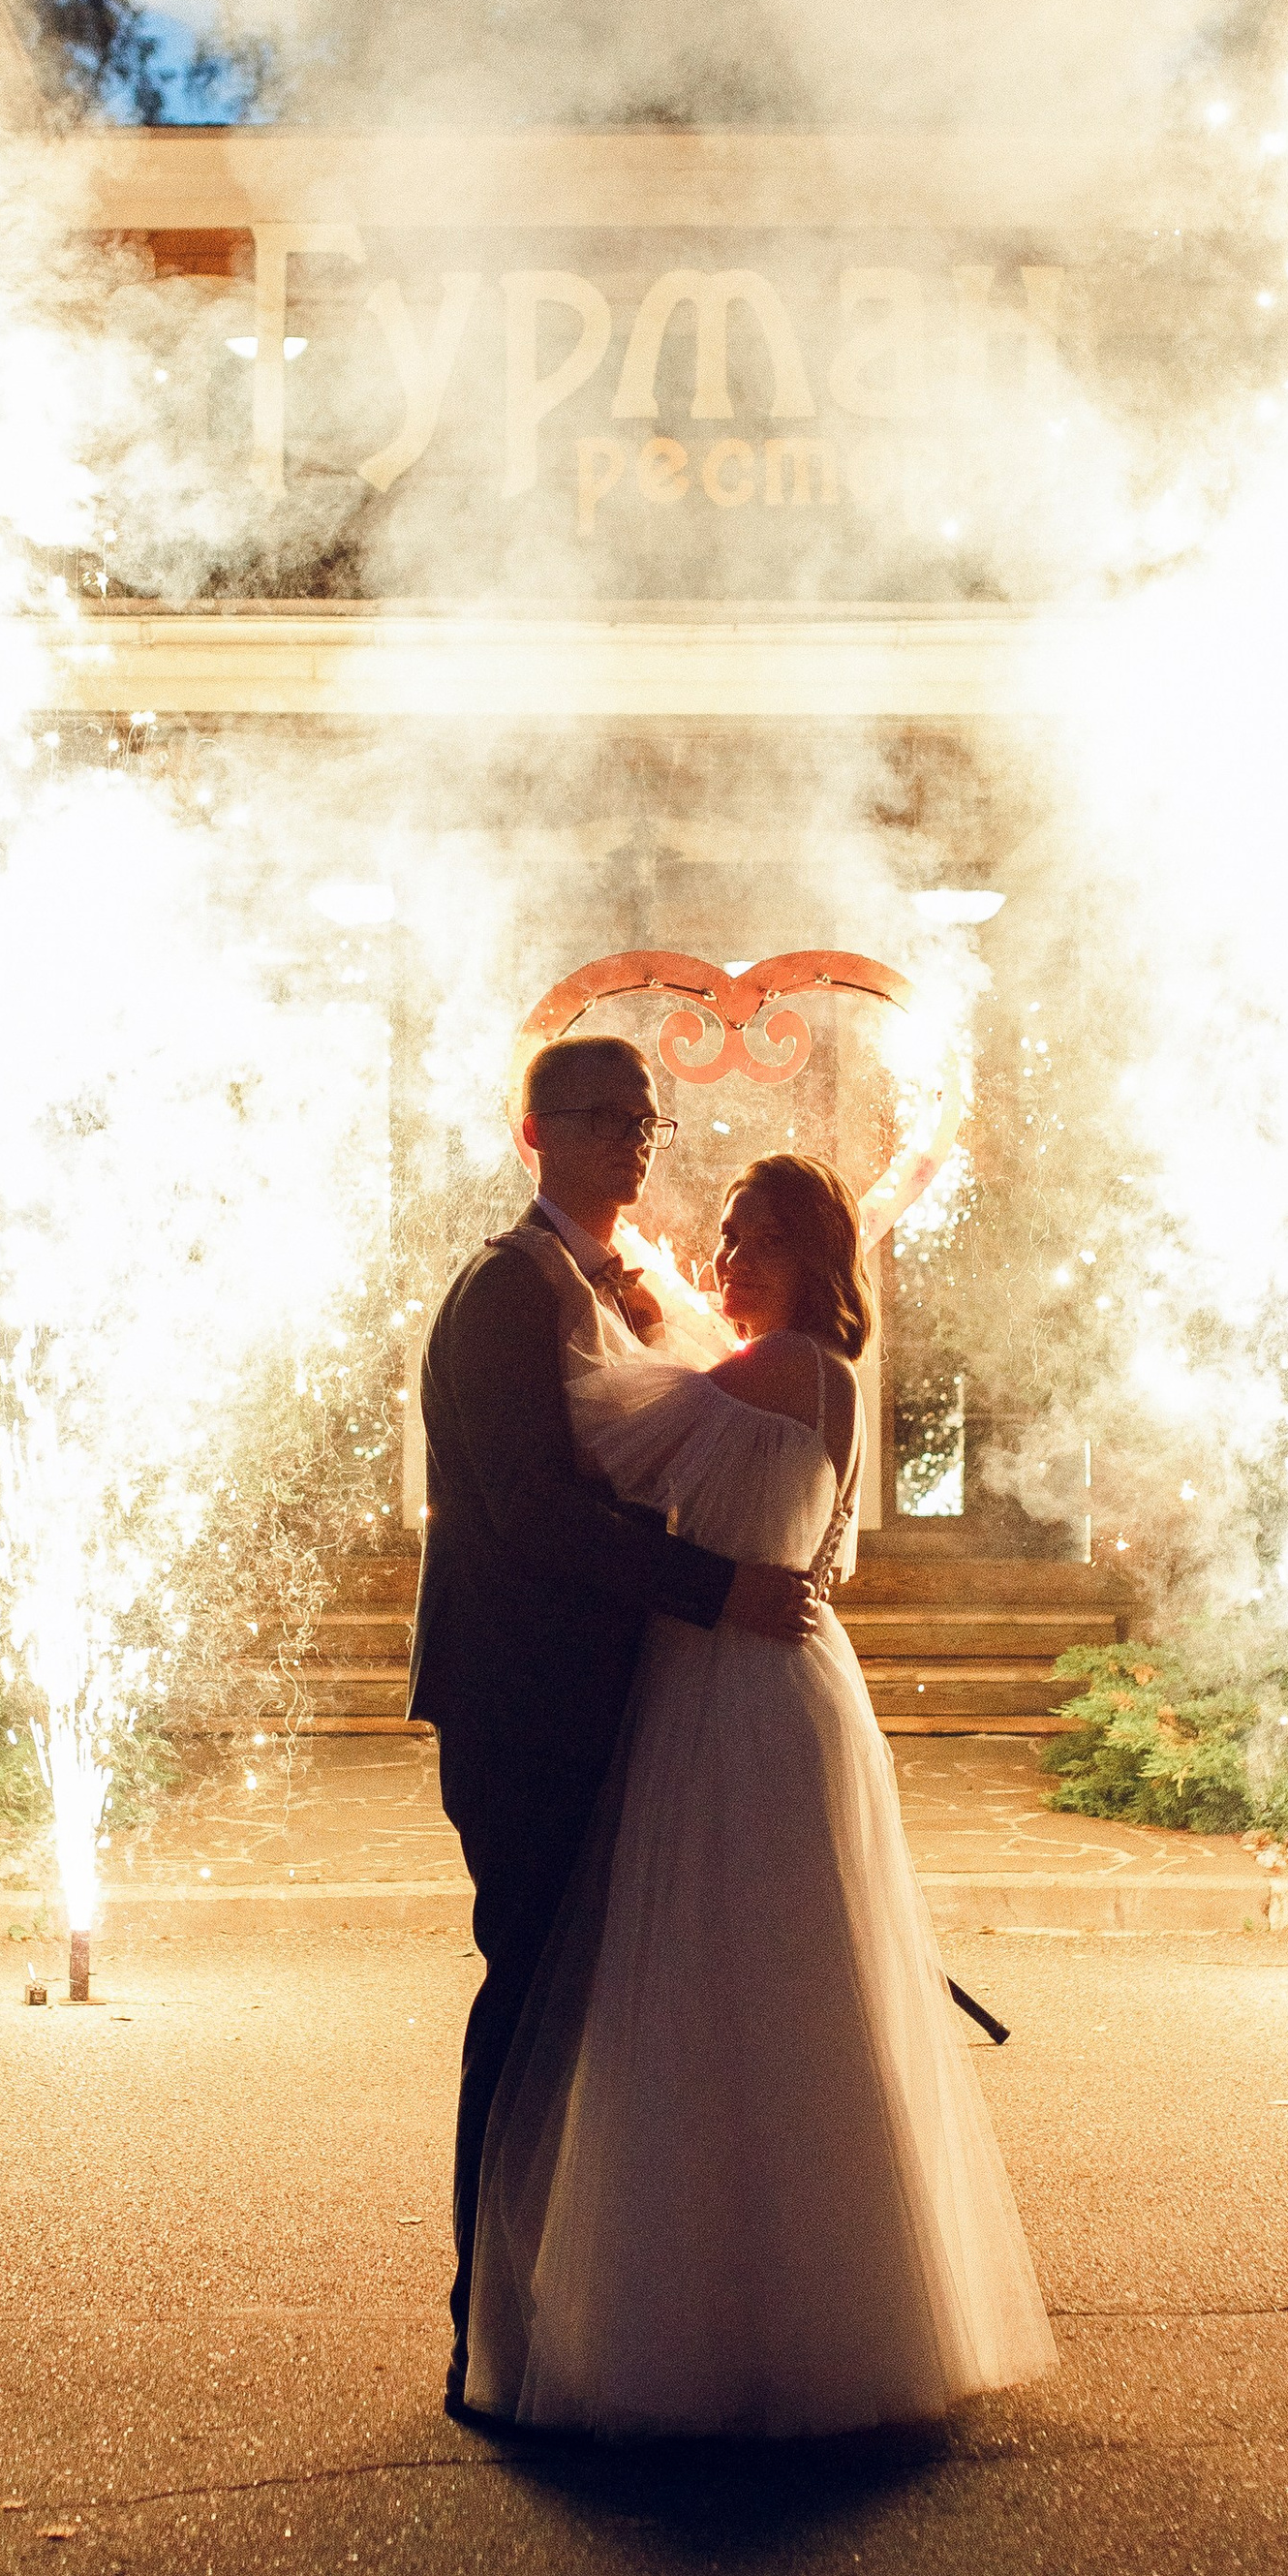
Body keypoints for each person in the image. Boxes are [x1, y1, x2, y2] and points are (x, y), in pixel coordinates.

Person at [463, 1151, 1055, 2437]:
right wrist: (658, 1285)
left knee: (709, 1984)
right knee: (788, 1990)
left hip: (732, 1687)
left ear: (815, 1263)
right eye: (725, 1238)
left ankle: (701, 2318)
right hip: (779, 1678)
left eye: (757, 1243)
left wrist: (591, 1286)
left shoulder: (784, 1371)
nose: (729, 1262)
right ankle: (807, 2307)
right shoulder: (812, 1377)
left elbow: (606, 1426)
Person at [409, 1032, 819, 2422]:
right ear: (534, 1135)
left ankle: (558, 2320)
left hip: (601, 1692)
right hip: (523, 1699)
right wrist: (718, 1589)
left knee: (586, 2010)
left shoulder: (610, 1285)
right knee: (528, 2005)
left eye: (644, 1118)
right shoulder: (505, 1292)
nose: (632, 1140)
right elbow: (530, 1513)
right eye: (599, 1117)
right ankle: (485, 2332)